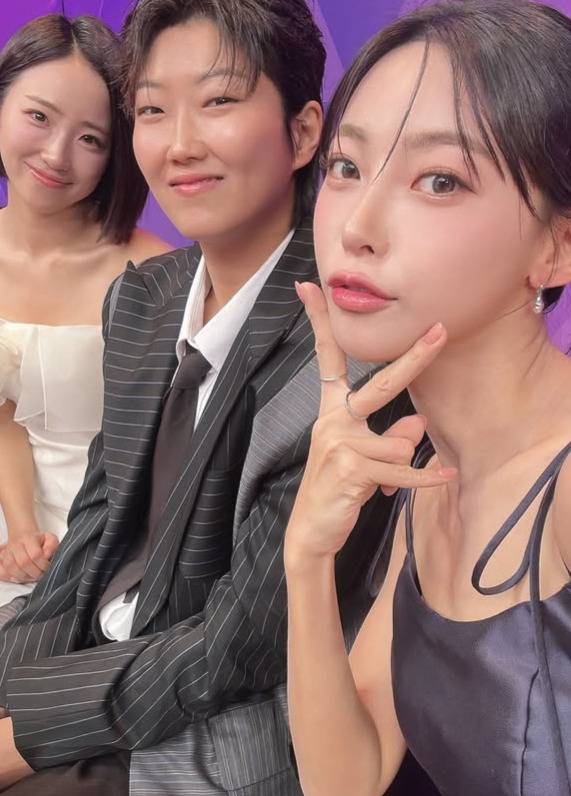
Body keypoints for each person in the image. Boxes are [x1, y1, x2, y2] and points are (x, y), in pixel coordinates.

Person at [0, 1, 414, 794]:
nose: (179, 143)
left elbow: (243, 641)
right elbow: (93, 530)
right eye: (153, 110)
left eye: (218, 100)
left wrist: (24, 736)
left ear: (303, 132)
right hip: (89, 678)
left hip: (213, 730)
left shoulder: (348, 340)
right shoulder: (143, 298)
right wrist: (10, 687)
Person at [285, 1, 571, 794]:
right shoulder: (433, 470)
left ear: (558, 245)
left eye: (438, 180)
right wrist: (305, 559)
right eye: (345, 167)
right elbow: (345, 779)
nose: (357, 224)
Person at [0, 14, 170, 607]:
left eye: (90, 139)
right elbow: (5, 419)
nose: (55, 155)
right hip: (15, 532)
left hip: (114, 556)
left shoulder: (153, 273)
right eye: (38, 117)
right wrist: (20, 530)